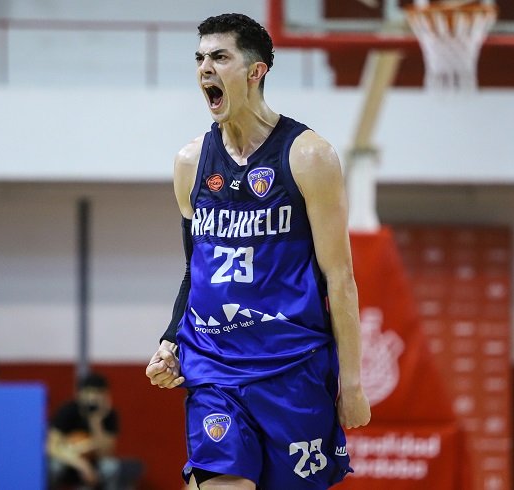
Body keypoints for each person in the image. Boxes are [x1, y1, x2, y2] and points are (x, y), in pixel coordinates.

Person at [145, 13, 371, 489]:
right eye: (200, 58)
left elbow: (339, 278)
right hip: (215, 367)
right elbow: (194, 272)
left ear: (255, 71)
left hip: (293, 366)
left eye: (219, 57)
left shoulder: (308, 156)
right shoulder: (191, 162)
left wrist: (351, 383)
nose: (205, 68)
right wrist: (170, 341)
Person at [47, 372, 142, 490]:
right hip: (69, 461)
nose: (93, 397)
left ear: (106, 395)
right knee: (53, 467)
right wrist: (81, 465)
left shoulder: (109, 415)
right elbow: (52, 447)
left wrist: (96, 421)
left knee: (111, 468)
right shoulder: (67, 411)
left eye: (98, 393)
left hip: (94, 464)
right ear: (79, 394)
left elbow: (105, 453)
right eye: (89, 392)